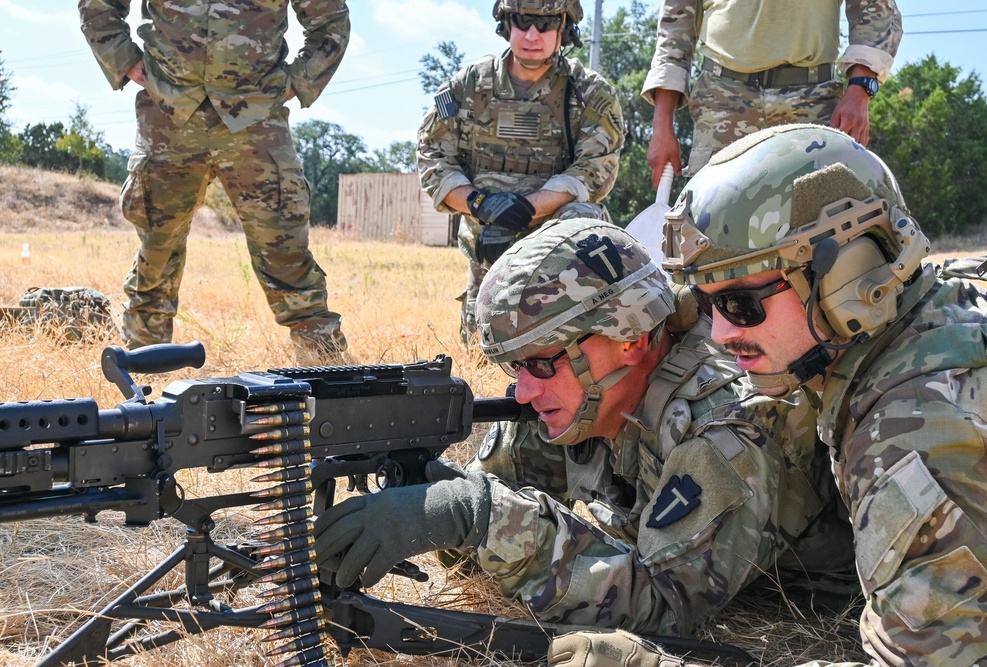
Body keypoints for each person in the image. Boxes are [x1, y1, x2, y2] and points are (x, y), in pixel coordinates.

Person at [553, 124, 987, 665]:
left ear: (850, 276)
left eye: (740, 304)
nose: (719, 332)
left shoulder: (912, 431)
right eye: (705, 300)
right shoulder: (928, 319)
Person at [314, 217, 842, 637]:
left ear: (630, 338)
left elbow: (666, 610)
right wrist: (431, 497)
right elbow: (480, 538)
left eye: (542, 362)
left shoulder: (727, 428)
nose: (523, 390)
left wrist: (471, 513)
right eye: (513, 366)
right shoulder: (580, 398)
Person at [78, 0, 351, 364]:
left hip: (256, 119)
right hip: (169, 115)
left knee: (285, 252)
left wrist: (297, 81)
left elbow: (329, 18)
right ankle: (142, 382)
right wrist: (123, 58)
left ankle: (328, 372)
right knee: (157, 250)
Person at [417, 0, 625, 347]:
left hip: (556, 234)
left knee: (583, 218)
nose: (532, 34)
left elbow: (595, 169)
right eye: (522, 21)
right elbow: (432, 157)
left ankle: (578, 331)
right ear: (505, 25)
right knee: (483, 349)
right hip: (486, 234)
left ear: (564, 28)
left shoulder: (590, 92)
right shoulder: (466, 86)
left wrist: (526, 209)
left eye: (544, 24)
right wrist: (482, 204)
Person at [641, 0, 902, 183]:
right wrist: (662, 125)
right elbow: (676, 27)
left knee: (824, 233)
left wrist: (861, 88)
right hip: (721, 102)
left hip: (812, 99)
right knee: (713, 235)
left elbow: (875, 9)